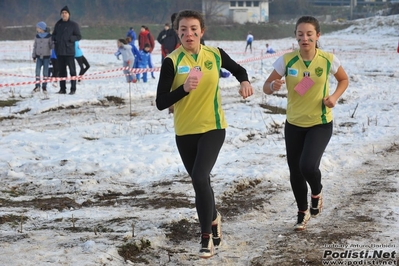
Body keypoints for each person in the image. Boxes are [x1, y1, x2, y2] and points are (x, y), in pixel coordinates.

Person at [156, 10, 253, 259]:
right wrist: (183, 89)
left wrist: (244, 82)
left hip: (213, 127)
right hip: (185, 131)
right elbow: (160, 101)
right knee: (201, 183)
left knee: (200, 177)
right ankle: (214, 217)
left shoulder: (215, 54)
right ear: (176, 32)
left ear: (202, 31)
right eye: (183, 30)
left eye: (194, 29)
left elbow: (239, 70)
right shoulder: (172, 61)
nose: (189, 34)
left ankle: (205, 238)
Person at [262, 16, 349, 231]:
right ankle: (302, 212)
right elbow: (265, 87)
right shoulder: (287, 60)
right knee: (295, 171)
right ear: (296, 36)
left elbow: (344, 80)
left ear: (318, 36)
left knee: (308, 165)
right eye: (300, 34)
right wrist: (273, 85)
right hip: (294, 124)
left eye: (309, 34)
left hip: (320, 122)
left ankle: (317, 192)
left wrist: (334, 97)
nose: (305, 38)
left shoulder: (328, 59)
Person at [52, 6, 81, 95]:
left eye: (65, 13)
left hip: (69, 51)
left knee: (72, 71)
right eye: (62, 13)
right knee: (62, 71)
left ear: (69, 14)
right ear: (61, 15)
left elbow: (78, 36)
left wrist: (70, 39)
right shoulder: (58, 24)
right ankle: (62, 89)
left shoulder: (73, 25)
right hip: (60, 52)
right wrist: (56, 38)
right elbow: (53, 35)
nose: (64, 14)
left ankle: (73, 89)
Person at [32, 21, 52, 93]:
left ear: (41, 28)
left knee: (45, 72)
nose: (37, 29)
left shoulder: (49, 36)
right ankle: (37, 86)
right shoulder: (37, 36)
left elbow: (52, 46)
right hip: (38, 57)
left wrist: (51, 56)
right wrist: (34, 56)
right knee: (37, 71)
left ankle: (44, 86)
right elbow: (35, 46)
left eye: (38, 27)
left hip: (46, 57)